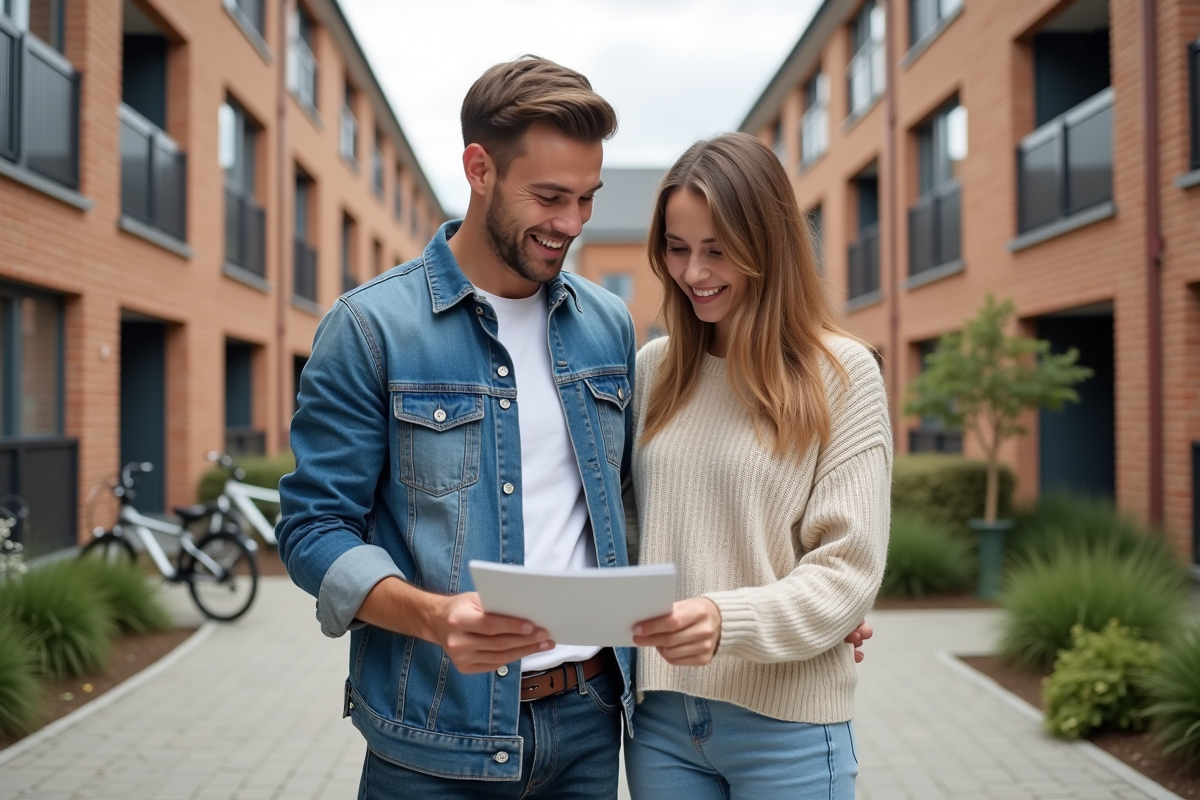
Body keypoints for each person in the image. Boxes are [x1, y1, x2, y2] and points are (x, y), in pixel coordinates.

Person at [277, 56, 635, 798]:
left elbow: (642, 506)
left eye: (586, 199)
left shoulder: (608, 326)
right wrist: (435, 617)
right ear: (479, 170)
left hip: (590, 722)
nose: (571, 224)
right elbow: (314, 529)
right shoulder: (371, 328)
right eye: (549, 197)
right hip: (432, 737)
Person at [622, 133, 892, 800]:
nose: (694, 273)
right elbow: (625, 535)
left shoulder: (842, 374)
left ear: (767, 245)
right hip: (660, 725)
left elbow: (846, 571)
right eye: (677, 248)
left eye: (717, 250)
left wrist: (727, 619)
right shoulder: (653, 371)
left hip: (787, 728)